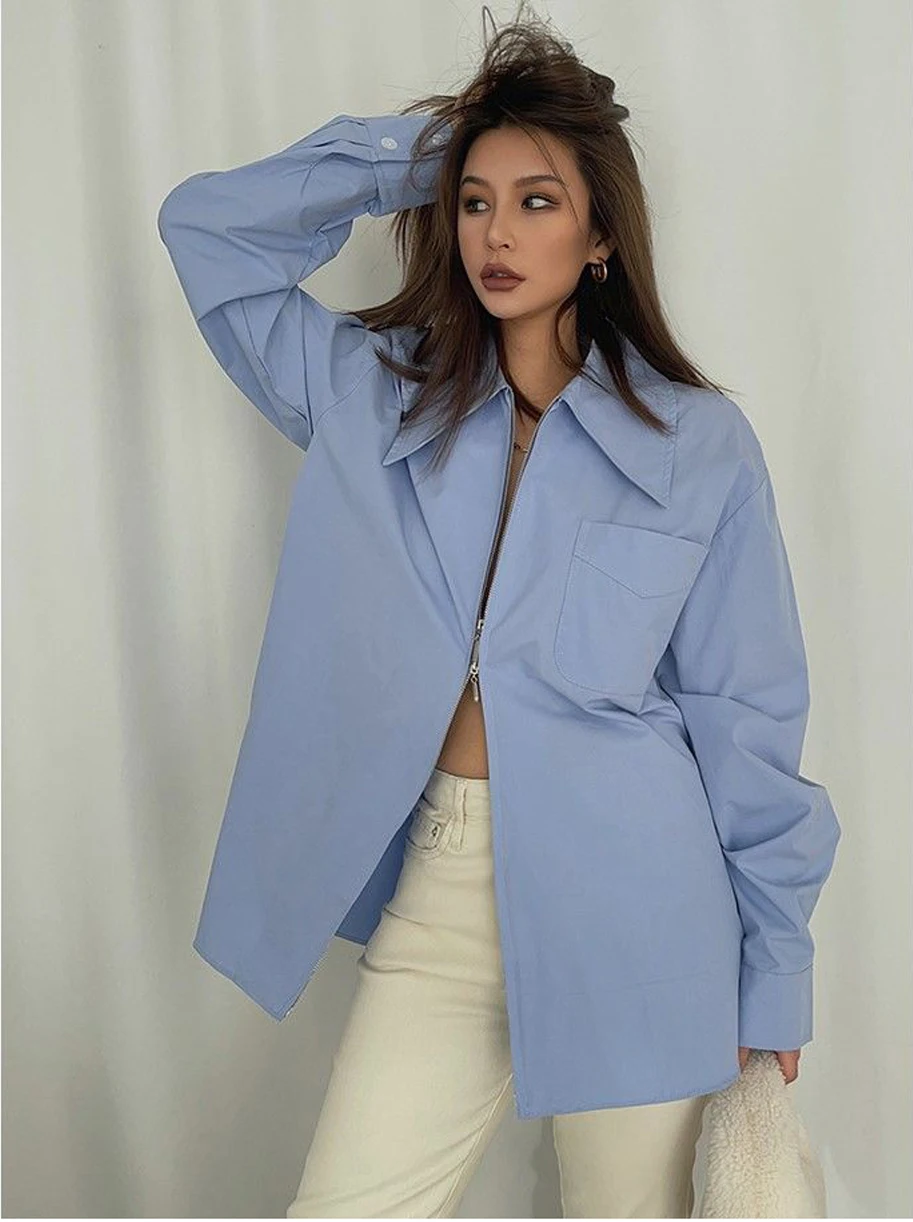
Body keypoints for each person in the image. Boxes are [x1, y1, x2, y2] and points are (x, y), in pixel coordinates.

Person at [157, 5, 841, 1217]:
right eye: (475, 202)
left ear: (600, 235)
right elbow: (205, 231)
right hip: (443, 886)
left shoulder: (698, 446)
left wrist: (775, 969)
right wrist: (424, 152)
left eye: (537, 201)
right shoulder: (372, 395)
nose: (497, 233)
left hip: (639, 911)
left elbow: (745, 718)